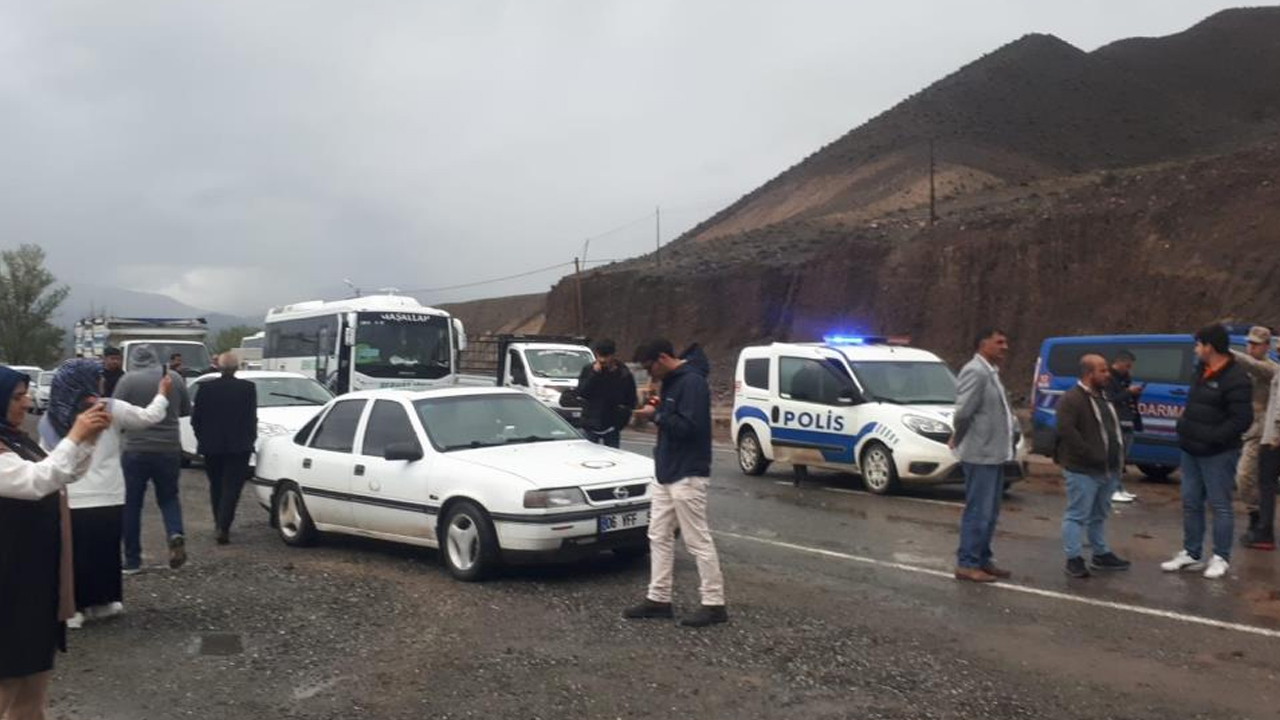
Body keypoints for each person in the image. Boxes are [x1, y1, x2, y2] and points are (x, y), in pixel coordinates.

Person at [0, 367, 110, 720]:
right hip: (8, 588)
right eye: (17, 397)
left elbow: (59, 474)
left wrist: (88, 439)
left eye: (25, 394)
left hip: (33, 583)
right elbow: (35, 482)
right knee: (8, 683)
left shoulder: (16, 438)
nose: (26, 402)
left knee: (33, 686)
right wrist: (75, 435)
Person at [37, 359, 170, 628]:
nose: (102, 381)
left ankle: (72, 609)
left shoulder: (49, 418)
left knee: (71, 555)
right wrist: (163, 393)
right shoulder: (108, 407)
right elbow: (149, 417)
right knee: (105, 551)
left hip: (69, 497)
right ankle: (103, 602)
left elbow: (46, 459)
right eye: (97, 377)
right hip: (108, 494)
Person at [624, 339, 726, 628]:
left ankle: (714, 602)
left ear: (663, 358)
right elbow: (673, 418)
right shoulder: (672, 381)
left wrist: (656, 415)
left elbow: (689, 427)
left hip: (687, 472)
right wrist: (657, 412)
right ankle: (658, 598)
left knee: (697, 539)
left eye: (649, 368)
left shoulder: (691, 383)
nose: (650, 375)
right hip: (667, 469)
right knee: (658, 535)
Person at [1162, 324, 1253, 579]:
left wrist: (1214, 438)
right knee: (1191, 502)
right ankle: (1191, 553)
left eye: (1198, 344)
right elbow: (1192, 403)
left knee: (1220, 505)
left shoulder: (1236, 378)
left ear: (1209, 346)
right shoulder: (1199, 370)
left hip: (1218, 453)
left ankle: (1221, 557)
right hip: (1190, 450)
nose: (1195, 349)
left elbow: (1242, 419)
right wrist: (1183, 426)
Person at [113, 346, 193, 573]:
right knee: (168, 498)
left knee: (132, 504)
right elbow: (186, 410)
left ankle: (132, 561)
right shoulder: (174, 378)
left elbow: (116, 413)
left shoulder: (127, 380)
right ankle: (175, 533)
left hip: (135, 449)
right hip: (168, 448)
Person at [951, 328, 1019, 583]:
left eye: (1006, 341)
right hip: (980, 453)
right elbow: (963, 412)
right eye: (999, 342)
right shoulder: (975, 371)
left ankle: (982, 558)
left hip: (995, 453)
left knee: (990, 512)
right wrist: (958, 437)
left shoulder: (991, 372)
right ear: (983, 344)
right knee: (978, 510)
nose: (1005, 347)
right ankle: (967, 563)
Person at [1055, 355, 1132, 578]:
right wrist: (1089, 454)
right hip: (1083, 469)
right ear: (1089, 374)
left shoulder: (1104, 397)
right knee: (1077, 514)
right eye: (1103, 371)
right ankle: (1074, 558)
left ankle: (1101, 553)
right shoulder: (1072, 399)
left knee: (1099, 514)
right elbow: (1066, 430)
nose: (1107, 374)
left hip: (1108, 469)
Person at [191, 353, 257, 545]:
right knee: (233, 487)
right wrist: (250, 438)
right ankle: (224, 525)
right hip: (239, 445)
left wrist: (202, 438)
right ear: (237, 368)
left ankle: (218, 523)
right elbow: (251, 417)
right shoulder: (247, 389)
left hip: (211, 446)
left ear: (218, 367)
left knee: (216, 485)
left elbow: (197, 419)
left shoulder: (206, 389)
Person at [1229, 326, 1278, 549]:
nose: (1251, 348)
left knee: (1245, 476)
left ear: (1266, 346)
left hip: (1264, 433)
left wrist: (1226, 351)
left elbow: (1255, 367)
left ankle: (1260, 523)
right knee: (1250, 480)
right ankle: (1257, 520)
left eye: (1256, 344)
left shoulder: (1270, 369)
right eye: (1249, 343)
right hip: (1247, 430)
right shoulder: (1243, 369)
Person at [576, 339, 637, 449]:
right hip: (590, 423)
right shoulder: (589, 370)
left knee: (612, 457)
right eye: (599, 356)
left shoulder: (623, 374)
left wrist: (621, 421)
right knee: (586, 454)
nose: (602, 360)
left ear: (613, 355)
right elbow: (582, 393)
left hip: (612, 425)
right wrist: (594, 375)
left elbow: (631, 400)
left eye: (606, 356)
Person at [1104, 350, 1144, 504]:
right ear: (1119, 362)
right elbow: (1111, 399)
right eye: (1127, 365)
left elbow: (1127, 399)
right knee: (1116, 458)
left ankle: (1119, 487)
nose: (1129, 369)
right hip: (1116, 420)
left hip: (1128, 419)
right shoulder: (1109, 379)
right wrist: (1128, 392)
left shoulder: (1125, 378)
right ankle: (1112, 489)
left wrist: (1134, 393)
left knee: (1122, 458)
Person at [1253, 351, 1280, 551]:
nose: (1277, 345)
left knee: (1267, 484)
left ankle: (1264, 533)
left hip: (1273, 438)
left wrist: (1276, 433)